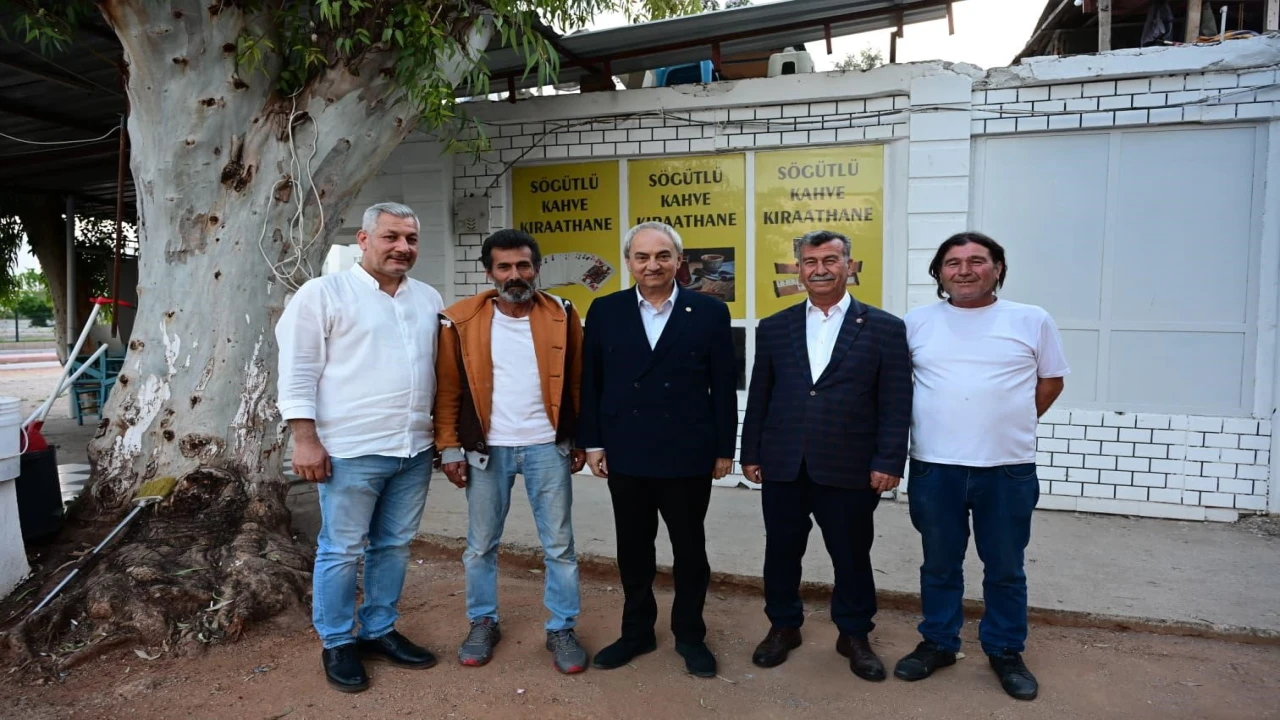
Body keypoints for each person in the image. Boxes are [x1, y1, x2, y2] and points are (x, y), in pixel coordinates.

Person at [275, 202, 443, 693]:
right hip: (350, 451)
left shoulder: (428, 298)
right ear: (363, 240)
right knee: (343, 549)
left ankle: (379, 630)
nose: (403, 247)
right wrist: (305, 440)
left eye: (411, 239)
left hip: (413, 448)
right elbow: (297, 373)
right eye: (391, 237)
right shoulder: (322, 294)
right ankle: (337, 641)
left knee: (393, 545)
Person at [893, 232, 1068, 702]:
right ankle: (939, 642)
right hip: (935, 467)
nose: (964, 270)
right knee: (939, 564)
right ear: (939, 272)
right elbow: (898, 385)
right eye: (953, 262)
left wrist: (1010, 419)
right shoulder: (916, 322)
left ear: (998, 268)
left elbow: (1051, 380)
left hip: (1007, 469)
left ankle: (1005, 649)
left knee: (1006, 567)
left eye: (976, 260)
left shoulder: (1031, 319)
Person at [739, 229, 912, 682]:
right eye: (810, 261)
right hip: (783, 462)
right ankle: (783, 626)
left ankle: (853, 634)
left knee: (851, 554)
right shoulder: (775, 327)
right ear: (799, 269)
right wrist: (750, 452)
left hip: (849, 465)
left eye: (830, 260)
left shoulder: (885, 328)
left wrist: (889, 461)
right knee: (781, 551)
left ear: (849, 266)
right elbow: (761, 394)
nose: (820, 269)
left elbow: (896, 400)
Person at [578, 221, 738, 678]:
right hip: (626, 449)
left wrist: (724, 448)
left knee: (689, 549)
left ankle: (690, 635)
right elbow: (592, 382)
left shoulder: (709, 311)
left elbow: (723, 385)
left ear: (679, 261)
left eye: (663, 255)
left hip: (688, 451)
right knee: (633, 549)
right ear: (629, 262)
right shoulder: (605, 310)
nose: (653, 265)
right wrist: (593, 442)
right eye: (643, 256)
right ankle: (636, 632)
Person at [434, 229, 589, 674]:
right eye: (504, 267)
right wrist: (449, 447)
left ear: (536, 269)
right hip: (488, 449)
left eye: (523, 265)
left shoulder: (562, 313)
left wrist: (579, 438)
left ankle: (561, 627)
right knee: (481, 545)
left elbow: (577, 381)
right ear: (489, 272)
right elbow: (448, 390)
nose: (514, 274)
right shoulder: (460, 320)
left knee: (559, 545)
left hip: (547, 446)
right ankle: (483, 621)